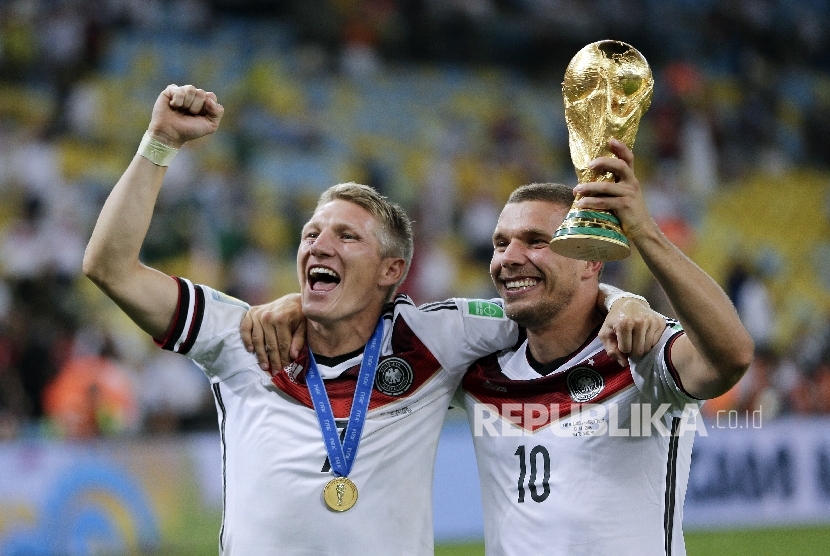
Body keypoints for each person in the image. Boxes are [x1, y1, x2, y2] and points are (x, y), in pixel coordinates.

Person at [82, 84, 659, 556]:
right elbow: (110, 267)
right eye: (311, 234)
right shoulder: (245, 337)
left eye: (345, 236)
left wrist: (619, 299)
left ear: (392, 270)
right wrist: (158, 142)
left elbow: (545, 297)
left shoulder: (439, 333)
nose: (319, 245)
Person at [243, 139, 754, 556]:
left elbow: (730, 356)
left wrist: (641, 236)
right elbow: (362, 316)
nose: (509, 258)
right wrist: (296, 305)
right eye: (500, 242)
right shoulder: (476, 368)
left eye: (535, 241)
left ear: (590, 261)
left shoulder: (635, 352)